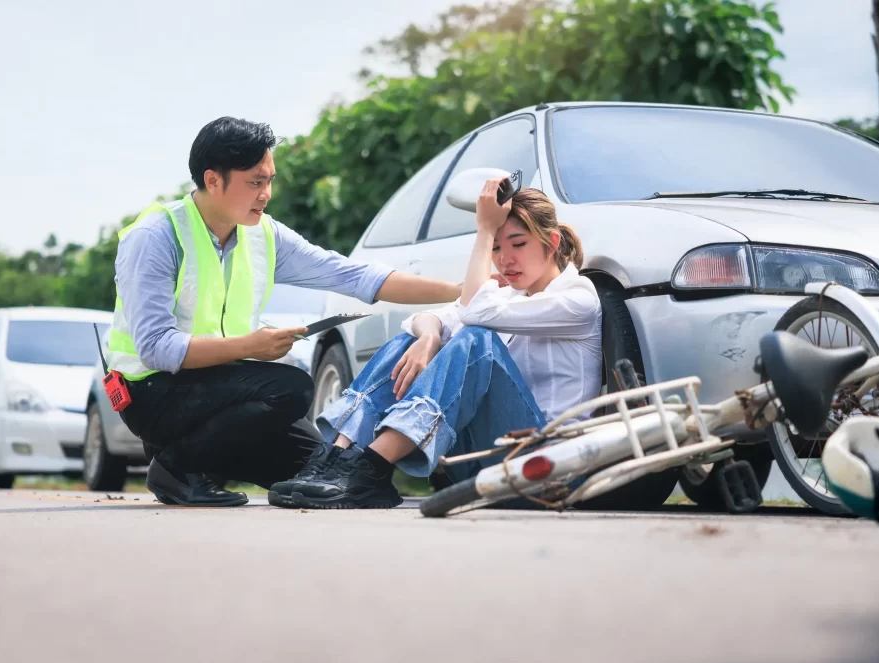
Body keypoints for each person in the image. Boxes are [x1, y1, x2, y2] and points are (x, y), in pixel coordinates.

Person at [107, 116, 462, 507]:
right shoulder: (155, 237)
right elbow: (156, 348)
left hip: (220, 392)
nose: (266, 194)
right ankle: (175, 468)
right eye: (255, 182)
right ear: (213, 180)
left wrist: (460, 292)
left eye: (270, 180)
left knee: (319, 469)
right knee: (292, 387)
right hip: (152, 393)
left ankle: (202, 463)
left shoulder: (263, 233)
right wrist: (253, 346)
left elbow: (353, 276)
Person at [268, 178, 603, 509]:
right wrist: (428, 337)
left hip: (547, 468)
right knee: (410, 342)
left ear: (551, 242)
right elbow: (421, 319)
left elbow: (474, 312)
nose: (505, 260)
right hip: (486, 460)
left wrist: (485, 230)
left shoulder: (577, 299)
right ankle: (339, 459)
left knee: (478, 340)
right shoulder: (509, 296)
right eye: (497, 247)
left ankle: (370, 468)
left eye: (518, 244)